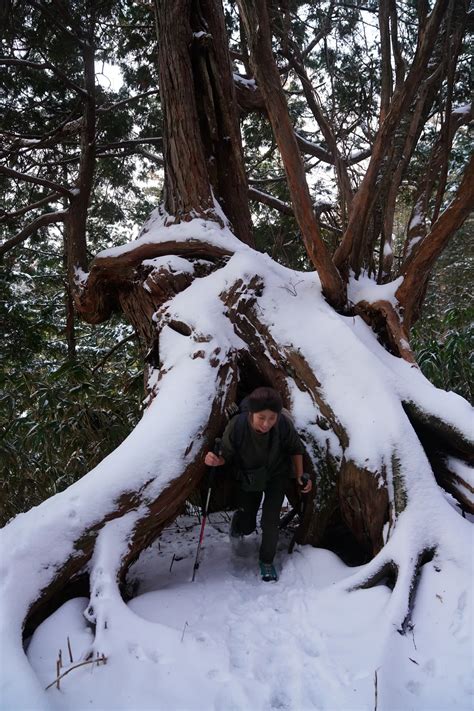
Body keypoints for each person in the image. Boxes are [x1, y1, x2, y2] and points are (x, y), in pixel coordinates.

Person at [204, 386, 312, 581]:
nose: (266, 423)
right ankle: (238, 524)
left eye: (272, 418)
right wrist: (215, 460)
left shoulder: (283, 425)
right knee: (248, 524)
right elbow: (226, 455)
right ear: (251, 413)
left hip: (276, 476)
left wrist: (299, 475)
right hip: (249, 477)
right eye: (261, 417)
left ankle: (267, 561)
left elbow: (296, 448)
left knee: (270, 522)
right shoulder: (237, 426)